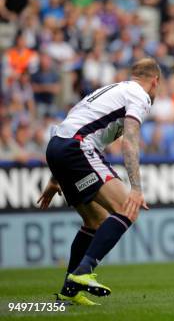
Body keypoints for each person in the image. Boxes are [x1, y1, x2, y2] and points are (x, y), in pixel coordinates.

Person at [37, 58, 161, 305]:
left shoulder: (111, 90)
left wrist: (55, 178)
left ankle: (68, 292)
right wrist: (136, 188)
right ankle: (83, 272)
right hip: (77, 147)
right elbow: (130, 140)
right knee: (128, 206)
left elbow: (70, 123)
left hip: (58, 146)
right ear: (155, 82)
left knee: (95, 221)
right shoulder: (139, 95)